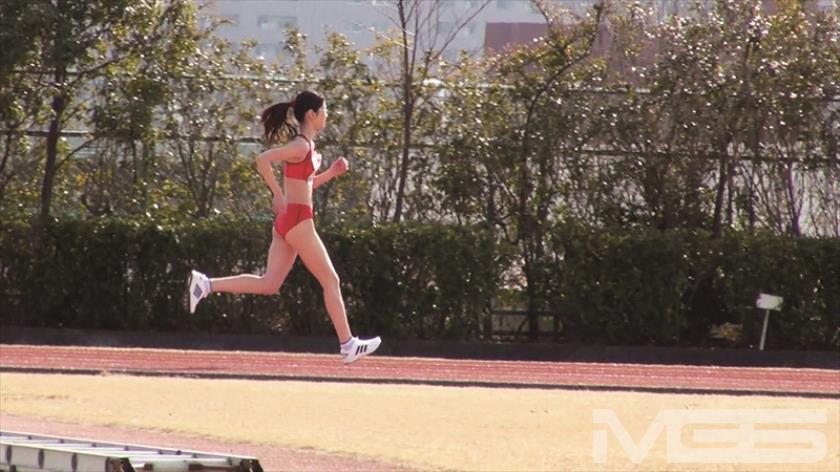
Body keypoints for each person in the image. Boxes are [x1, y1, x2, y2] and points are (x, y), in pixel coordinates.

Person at [188, 90, 381, 364]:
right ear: (311, 115)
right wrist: (277, 195)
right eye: (325, 111)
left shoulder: (307, 147)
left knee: (269, 284)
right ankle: (348, 344)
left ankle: (206, 285)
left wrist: (331, 173)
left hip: (289, 222)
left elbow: (306, 186)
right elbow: (262, 160)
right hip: (298, 220)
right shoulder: (301, 146)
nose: (327, 115)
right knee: (331, 280)